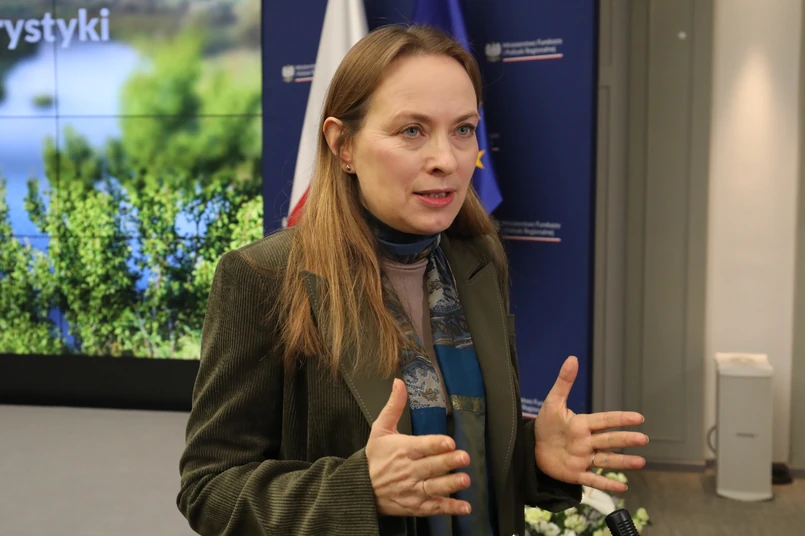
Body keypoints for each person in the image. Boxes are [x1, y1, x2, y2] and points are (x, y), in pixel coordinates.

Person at [177, 24, 648, 536]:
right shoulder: (262, 277)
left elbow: (466, 452)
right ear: (343, 145)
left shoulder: (477, 258)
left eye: (463, 129)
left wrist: (534, 455)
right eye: (412, 131)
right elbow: (209, 489)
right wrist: (359, 489)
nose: (446, 160)